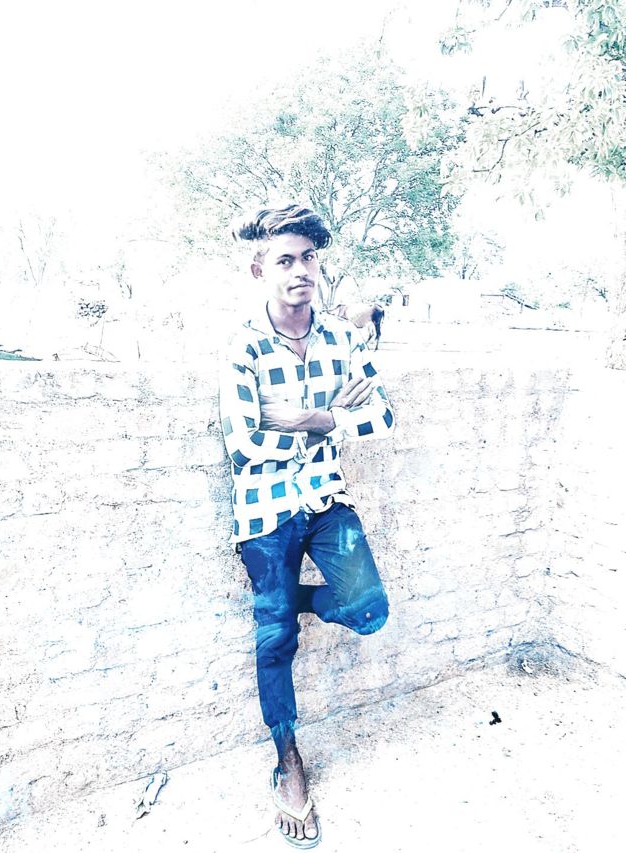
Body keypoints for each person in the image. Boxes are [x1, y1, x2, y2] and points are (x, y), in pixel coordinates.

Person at [218, 204, 394, 848]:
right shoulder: (244, 346)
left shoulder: (343, 339)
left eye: (309, 258)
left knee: (369, 610)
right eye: (285, 260)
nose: (301, 272)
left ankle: (280, 602)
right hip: (265, 511)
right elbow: (245, 444)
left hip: (325, 497)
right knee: (275, 642)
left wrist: (304, 418)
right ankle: (288, 760)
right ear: (259, 269)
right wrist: (335, 417)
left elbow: (382, 419)